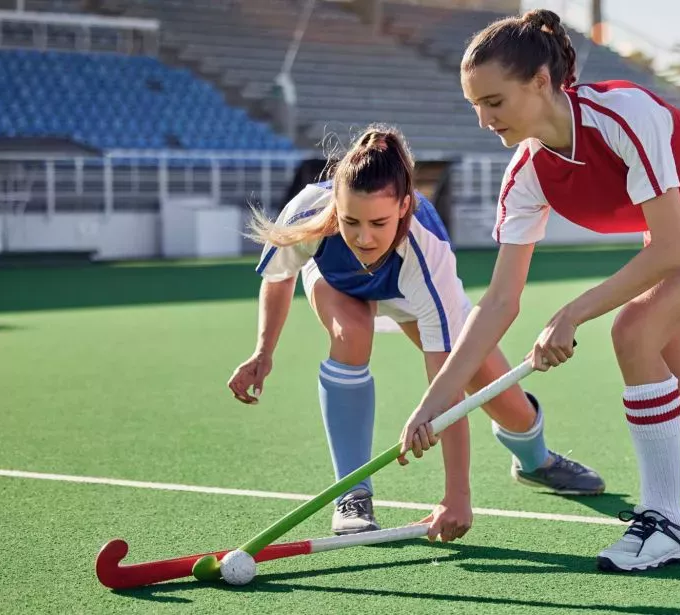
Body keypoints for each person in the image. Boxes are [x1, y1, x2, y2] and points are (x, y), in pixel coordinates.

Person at [398, 9, 680, 572]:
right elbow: (498, 302)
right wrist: (431, 406)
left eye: (494, 102)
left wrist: (571, 314)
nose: (485, 121)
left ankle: (665, 521)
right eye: (475, 107)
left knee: (633, 330)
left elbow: (668, 252)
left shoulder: (622, 113)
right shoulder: (526, 176)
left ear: (541, 82)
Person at [228, 124, 604, 542]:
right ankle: (352, 493)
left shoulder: (428, 251)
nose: (363, 237)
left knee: (505, 402)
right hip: (339, 285)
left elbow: (448, 380)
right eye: (351, 221)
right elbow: (279, 277)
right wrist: (263, 353)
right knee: (350, 337)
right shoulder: (308, 212)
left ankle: (536, 462)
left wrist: (456, 496)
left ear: (405, 207)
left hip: (411, 295)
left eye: (378, 222)